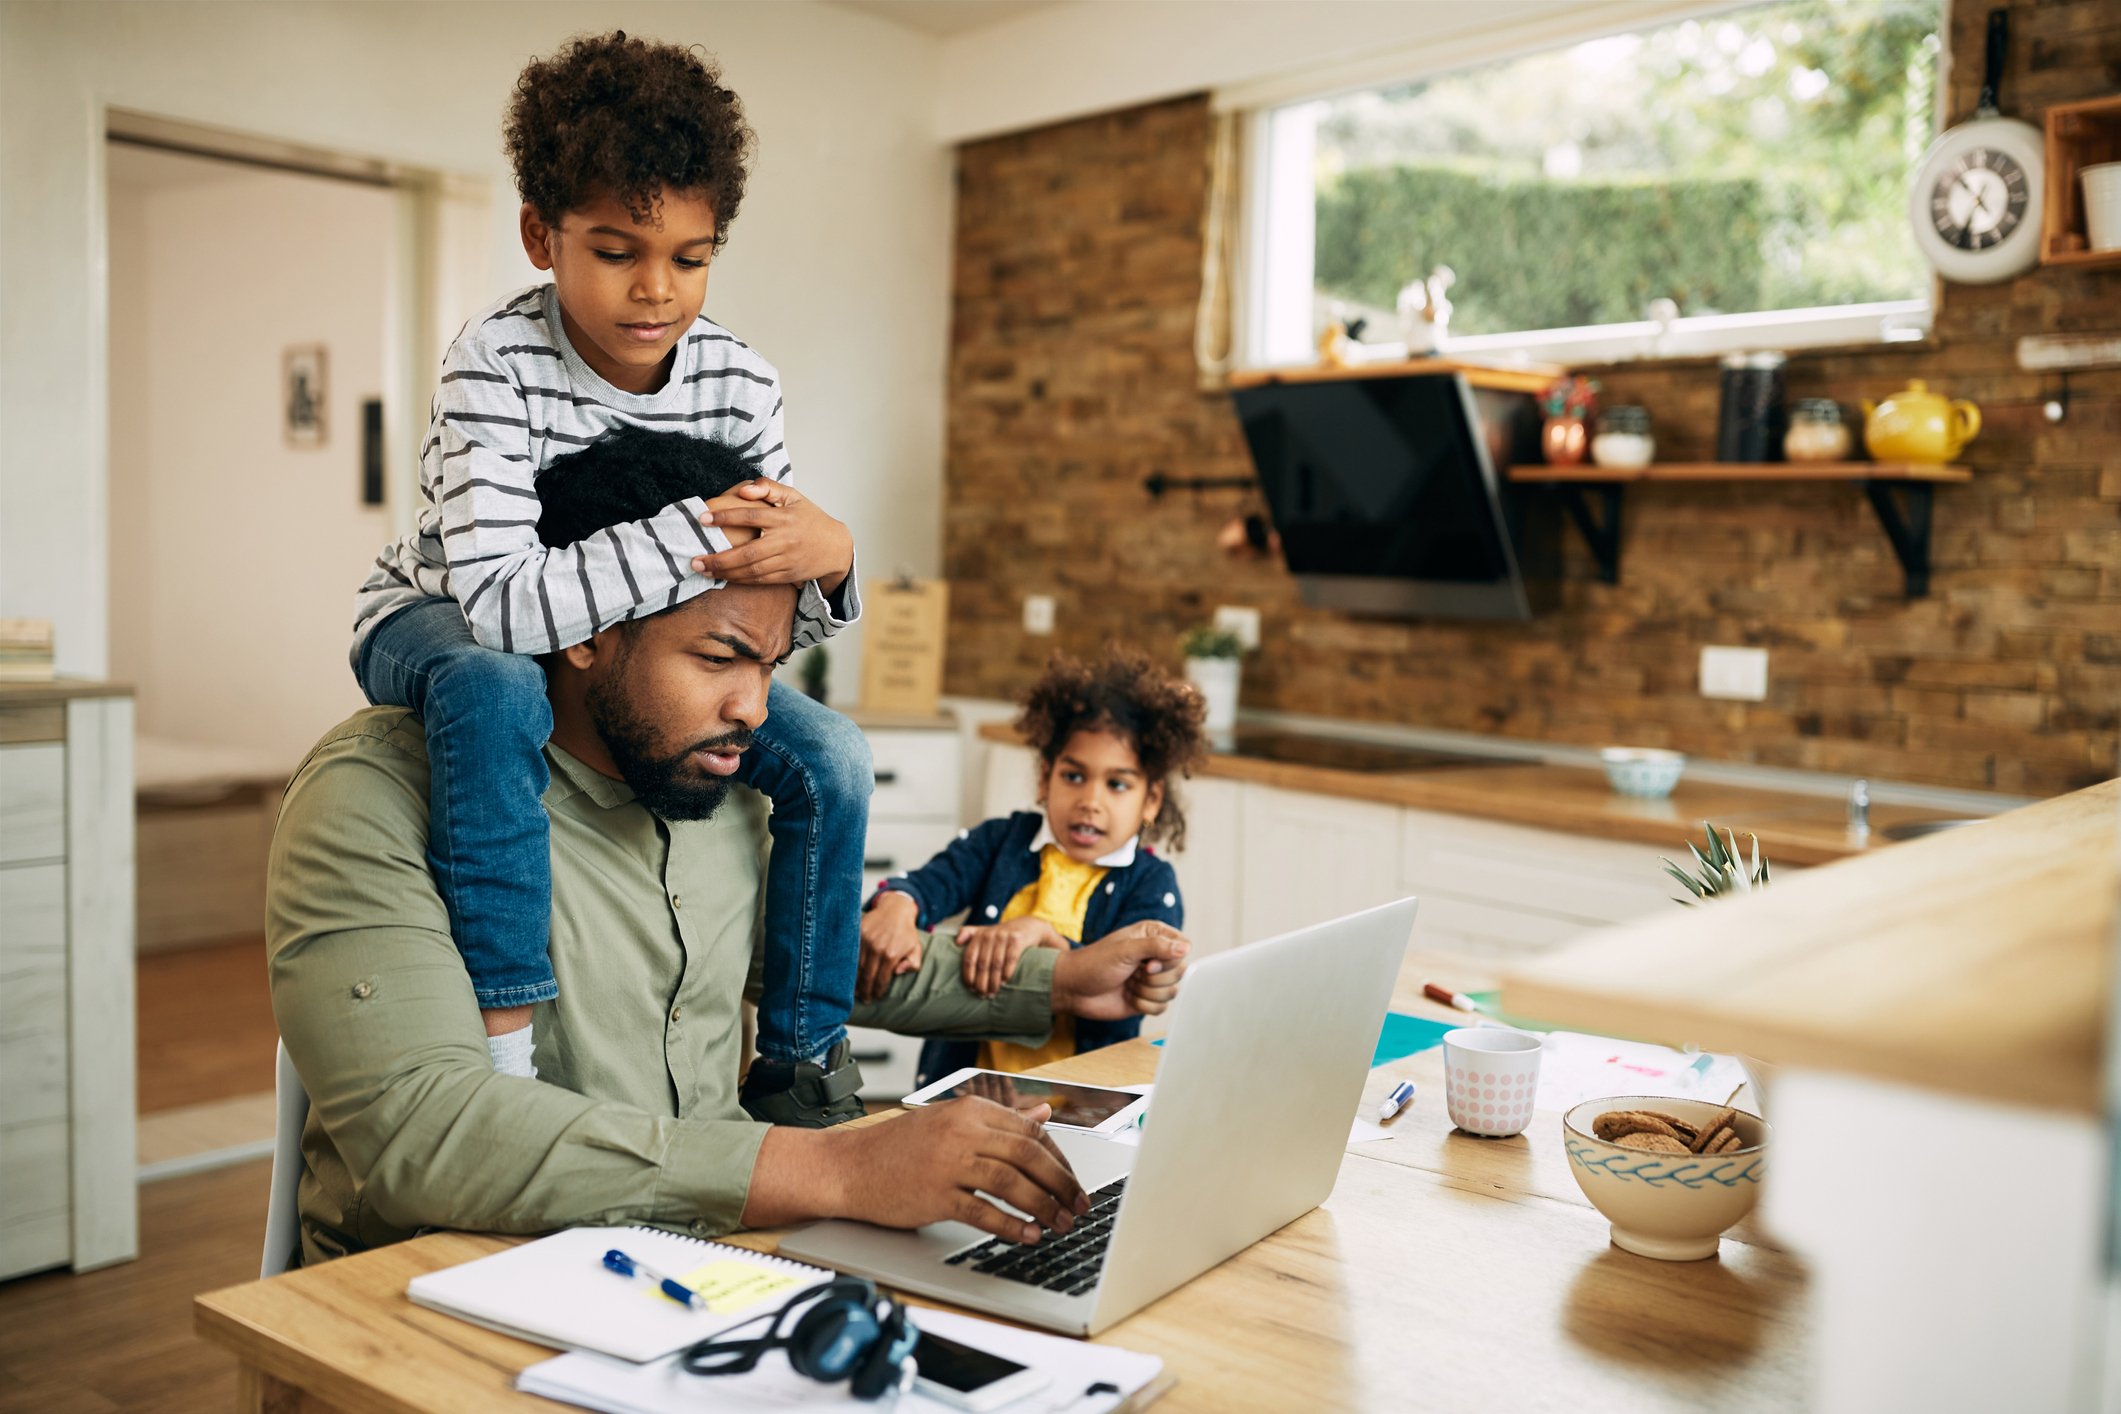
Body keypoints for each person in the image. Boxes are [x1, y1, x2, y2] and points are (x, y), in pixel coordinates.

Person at [272, 427, 1192, 1266]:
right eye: (717, 659)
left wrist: (1061, 985)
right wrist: (839, 1169)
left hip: (714, 1266)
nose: (753, 709)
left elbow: (810, 962)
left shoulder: (722, 778)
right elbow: (424, 1136)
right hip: (449, 1290)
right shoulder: (376, 795)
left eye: (769, 666)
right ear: (583, 629)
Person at [350, 32, 870, 1125]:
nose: (656, 289)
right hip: (437, 609)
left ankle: (804, 1054)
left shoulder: (740, 380)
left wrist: (830, 558)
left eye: (690, 255)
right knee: (498, 689)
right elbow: (502, 602)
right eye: (616, 249)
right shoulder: (493, 361)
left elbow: (748, 616)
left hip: (596, 642)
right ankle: (505, 1041)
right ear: (542, 234)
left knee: (831, 752)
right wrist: (693, 531)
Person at [856, 649, 1209, 1088]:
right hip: (969, 1092)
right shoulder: (1000, 841)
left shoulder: (1152, 884)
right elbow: (928, 884)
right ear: (1045, 779)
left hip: (1079, 1109)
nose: (1091, 801)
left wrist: (1044, 936)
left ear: (1151, 800)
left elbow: (1125, 980)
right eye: (1074, 776)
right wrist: (897, 903)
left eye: (1117, 784)